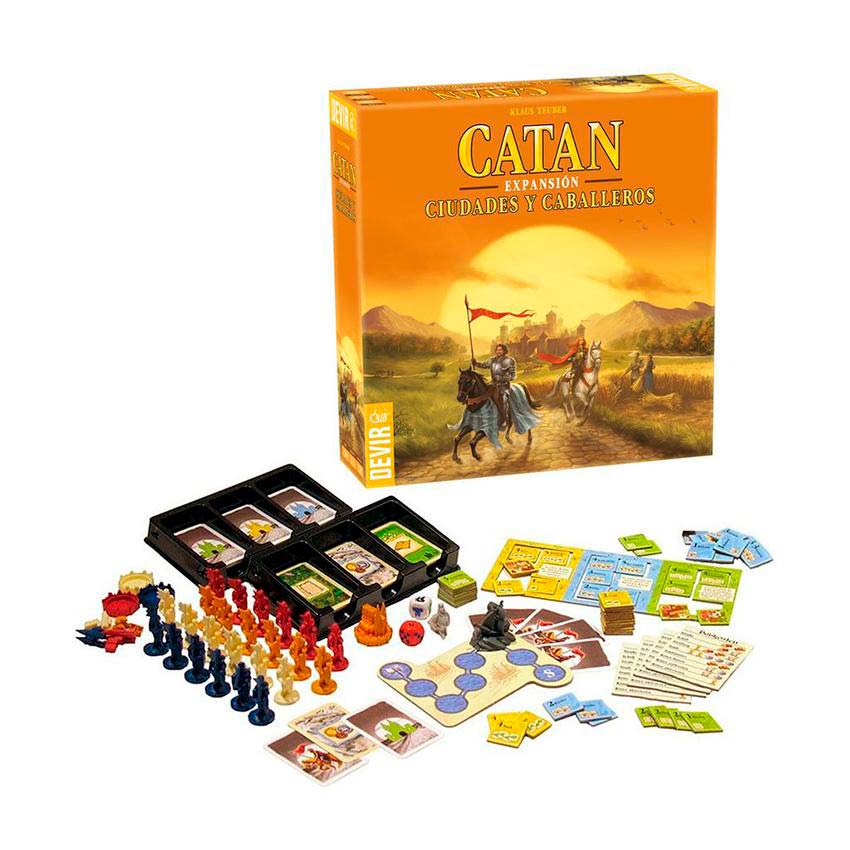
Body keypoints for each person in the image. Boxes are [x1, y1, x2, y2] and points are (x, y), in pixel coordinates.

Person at [473, 342, 516, 427]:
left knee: (502, 399)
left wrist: (503, 378)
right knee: (482, 394)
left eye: (500, 350)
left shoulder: (510, 360)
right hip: (493, 384)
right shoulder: (492, 360)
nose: (498, 351)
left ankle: (504, 418)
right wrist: (476, 363)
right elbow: (484, 365)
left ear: (504, 351)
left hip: (503, 385)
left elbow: (513, 375)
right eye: (497, 350)